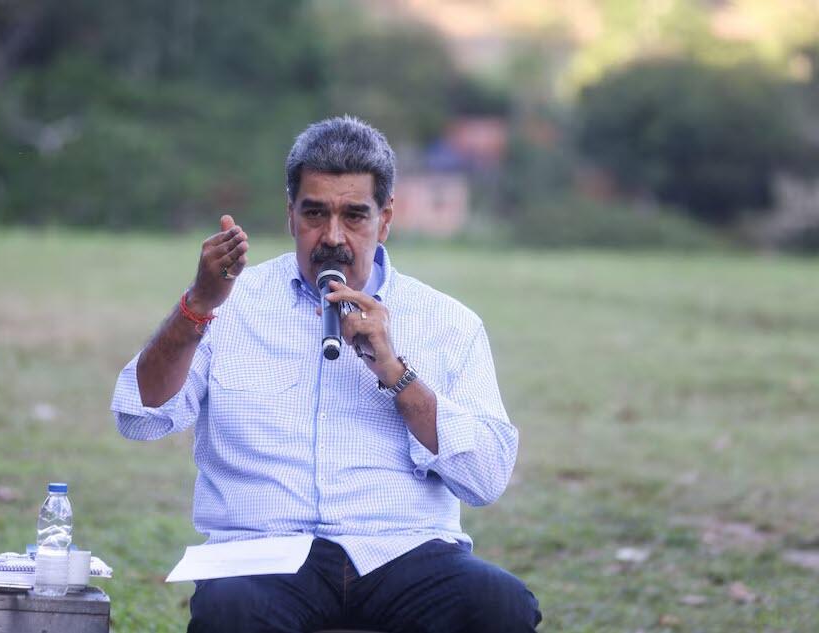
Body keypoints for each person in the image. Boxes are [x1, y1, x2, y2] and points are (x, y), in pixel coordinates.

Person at [111, 115, 541, 633]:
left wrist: (395, 372)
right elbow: (139, 416)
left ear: (385, 219)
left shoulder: (448, 322)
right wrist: (197, 306)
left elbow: (487, 477)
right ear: (290, 215)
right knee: (230, 611)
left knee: (500, 604)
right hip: (263, 553)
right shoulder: (230, 304)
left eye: (354, 216)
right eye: (315, 213)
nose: (333, 237)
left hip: (401, 550)